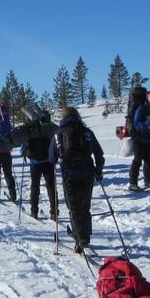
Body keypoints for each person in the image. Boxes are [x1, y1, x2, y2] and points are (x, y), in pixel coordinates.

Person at [50, 107, 105, 254]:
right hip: (87, 172)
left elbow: (51, 157)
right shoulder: (87, 132)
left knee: (73, 207)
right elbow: (99, 152)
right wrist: (99, 170)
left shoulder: (59, 133)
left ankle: (79, 238)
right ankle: (84, 236)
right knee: (84, 205)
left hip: (69, 174)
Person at [17, 107, 57, 220]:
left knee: (35, 186)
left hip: (35, 162)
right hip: (48, 161)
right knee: (51, 187)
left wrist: (24, 152)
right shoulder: (47, 126)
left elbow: (23, 146)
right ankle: (54, 212)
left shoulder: (29, 129)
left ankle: (34, 211)